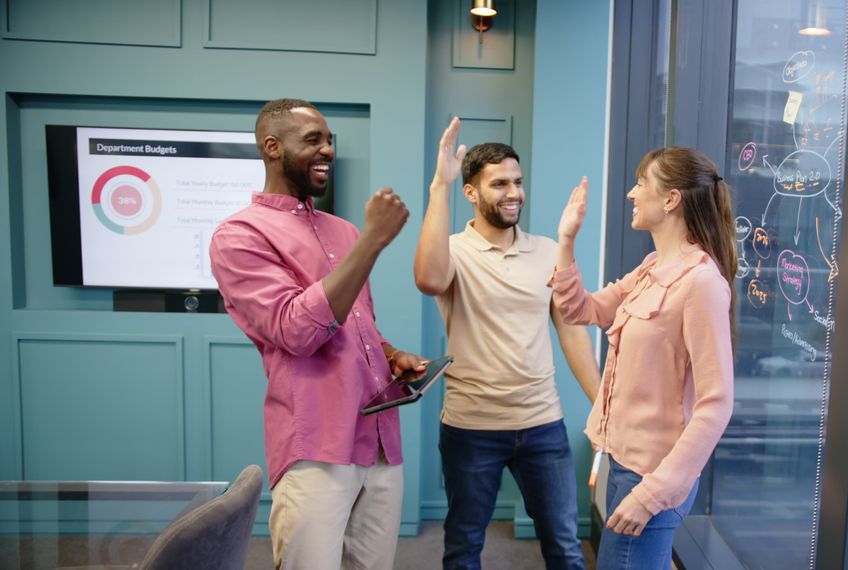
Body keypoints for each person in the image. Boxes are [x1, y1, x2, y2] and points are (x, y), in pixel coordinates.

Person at [209, 98, 428, 570]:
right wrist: (373, 241)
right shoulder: (238, 235)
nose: (327, 149)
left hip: (381, 442)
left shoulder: (345, 231)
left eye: (329, 141)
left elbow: (358, 326)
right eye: (313, 140)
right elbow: (294, 331)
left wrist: (389, 355)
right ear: (272, 147)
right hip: (315, 444)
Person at [414, 117, 601, 569]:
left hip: (542, 423)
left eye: (517, 181)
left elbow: (572, 331)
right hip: (471, 426)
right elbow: (428, 278)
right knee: (464, 548)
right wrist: (439, 185)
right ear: (471, 193)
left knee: (565, 546)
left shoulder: (545, 251)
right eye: (499, 183)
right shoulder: (452, 249)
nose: (513, 192)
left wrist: (602, 408)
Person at [550, 148, 736, 569]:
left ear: (671, 199)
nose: (631, 194)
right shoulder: (653, 266)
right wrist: (566, 239)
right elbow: (582, 310)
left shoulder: (701, 283)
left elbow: (716, 404)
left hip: (652, 475)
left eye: (641, 184)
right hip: (622, 460)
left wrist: (654, 493)